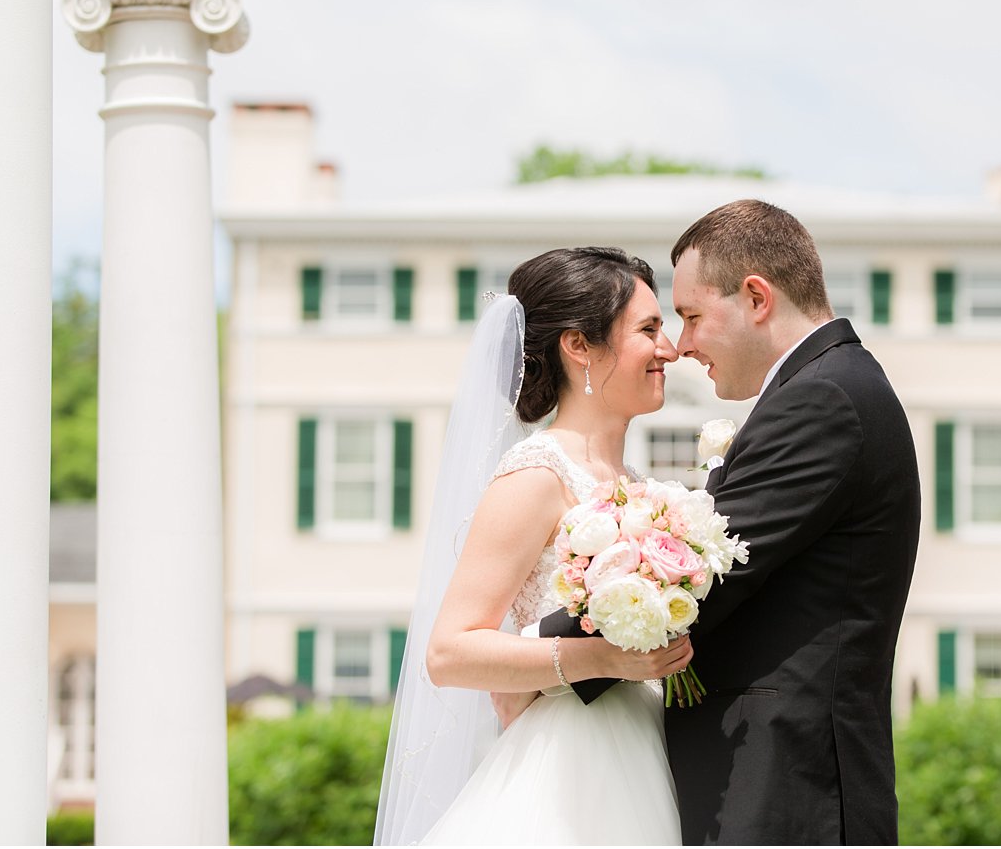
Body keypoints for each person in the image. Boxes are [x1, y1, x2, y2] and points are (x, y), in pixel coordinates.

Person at [539, 200, 922, 845]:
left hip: (789, 795)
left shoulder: (822, 400)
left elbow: (698, 580)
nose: (681, 345)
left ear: (755, 298)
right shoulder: (824, 386)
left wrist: (533, 659)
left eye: (690, 316)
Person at [375, 247, 689, 846]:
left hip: (647, 746)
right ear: (579, 346)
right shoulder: (536, 475)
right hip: (567, 769)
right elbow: (449, 652)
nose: (670, 349)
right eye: (649, 329)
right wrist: (602, 659)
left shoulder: (639, 487)